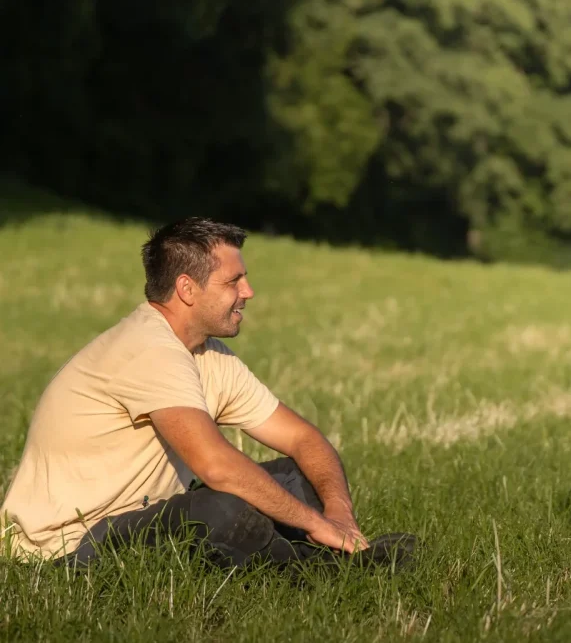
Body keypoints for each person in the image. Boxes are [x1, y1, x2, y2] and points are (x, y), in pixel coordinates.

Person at [0, 218, 416, 575]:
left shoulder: (207, 355)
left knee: (302, 474)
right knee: (220, 511)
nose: (248, 291)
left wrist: (338, 511)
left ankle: (321, 558)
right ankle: (317, 573)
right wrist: (314, 521)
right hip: (71, 545)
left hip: (142, 514)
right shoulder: (147, 347)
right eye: (234, 280)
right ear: (187, 288)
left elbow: (304, 439)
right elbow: (216, 466)